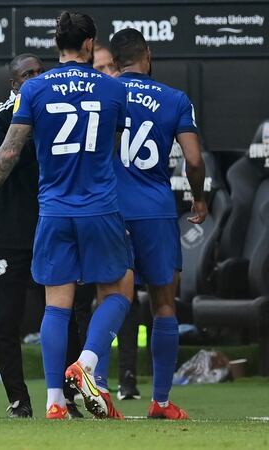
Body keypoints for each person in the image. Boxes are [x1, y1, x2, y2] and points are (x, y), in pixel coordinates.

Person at [0, 11, 134, 419]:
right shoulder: (113, 89)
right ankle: (87, 364)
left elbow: (8, 152)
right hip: (99, 207)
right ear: (88, 45)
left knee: (55, 307)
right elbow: (113, 147)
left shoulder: (36, 89)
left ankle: (53, 401)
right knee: (118, 291)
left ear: (57, 45)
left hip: (54, 211)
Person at [0, 54, 84, 419]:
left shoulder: (58, 111)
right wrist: (27, 127)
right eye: (28, 75)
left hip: (53, 227)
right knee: (5, 319)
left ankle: (67, 396)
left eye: (41, 72)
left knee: (66, 314)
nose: (36, 78)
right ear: (14, 84)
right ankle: (18, 399)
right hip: (10, 233)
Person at [109, 28, 207, 420]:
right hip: (156, 211)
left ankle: (99, 390)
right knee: (164, 305)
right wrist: (198, 197)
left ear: (114, 61)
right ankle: (161, 402)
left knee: (111, 300)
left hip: (110, 210)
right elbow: (195, 161)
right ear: (147, 54)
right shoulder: (175, 98)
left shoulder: (104, 92)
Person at [93, 41, 142, 401]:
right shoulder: (89, 111)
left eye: (112, 67)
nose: (110, 75)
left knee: (130, 294)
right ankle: (96, 375)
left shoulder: (127, 102)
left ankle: (127, 377)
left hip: (139, 206)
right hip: (100, 210)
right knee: (101, 295)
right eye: (100, 69)